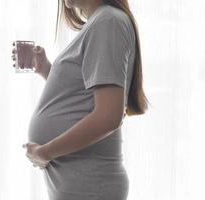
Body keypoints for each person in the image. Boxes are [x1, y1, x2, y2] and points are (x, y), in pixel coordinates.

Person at [13, 0, 149, 199]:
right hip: (83, 186)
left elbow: (109, 116)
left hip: (90, 186)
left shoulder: (108, 22)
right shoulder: (101, 22)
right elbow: (82, 98)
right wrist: (46, 70)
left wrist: (45, 152)